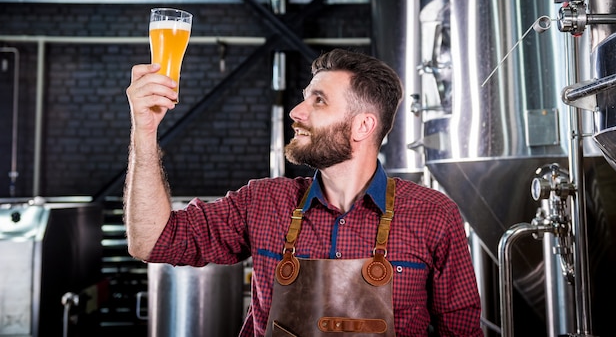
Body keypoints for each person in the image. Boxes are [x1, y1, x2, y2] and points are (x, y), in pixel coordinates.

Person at [124, 48, 483, 336]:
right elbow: (152, 241)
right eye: (304, 98)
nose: (297, 111)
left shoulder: (433, 215)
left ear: (362, 125)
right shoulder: (263, 202)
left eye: (319, 100)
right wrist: (145, 132)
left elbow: (462, 330)